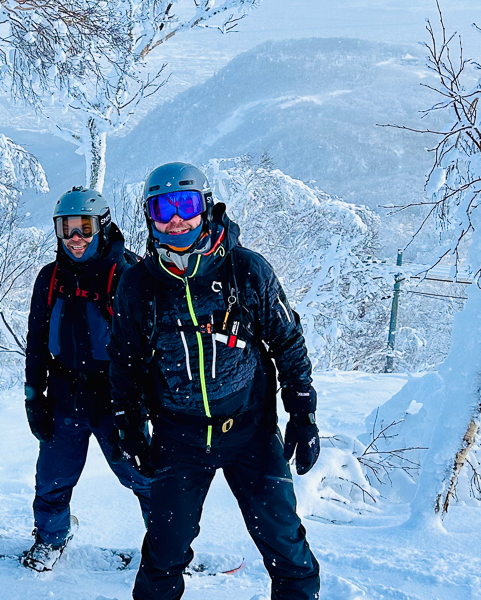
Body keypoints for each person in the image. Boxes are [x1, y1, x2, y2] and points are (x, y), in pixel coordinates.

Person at [109, 162, 323, 600]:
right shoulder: (138, 286)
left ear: (206, 207)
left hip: (250, 431)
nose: (175, 220)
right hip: (179, 437)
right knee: (164, 552)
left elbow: (287, 342)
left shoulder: (246, 271)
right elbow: (125, 362)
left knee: (285, 543)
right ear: (148, 216)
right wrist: (129, 424)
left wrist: (302, 411)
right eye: (162, 208)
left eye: (185, 205)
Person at [21, 187, 151, 571]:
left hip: (117, 396)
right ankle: (50, 538)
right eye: (66, 229)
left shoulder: (128, 274)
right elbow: (36, 339)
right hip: (65, 393)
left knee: (141, 473)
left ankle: (166, 543)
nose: (75, 238)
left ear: (103, 226)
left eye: (84, 228)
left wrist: (143, 405)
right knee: (52, 479)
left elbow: (149, 346)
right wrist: (33, 394)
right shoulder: (51, 277)